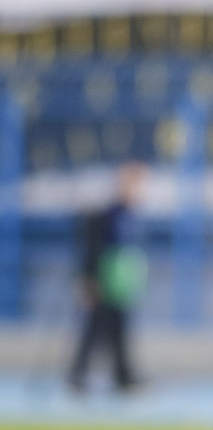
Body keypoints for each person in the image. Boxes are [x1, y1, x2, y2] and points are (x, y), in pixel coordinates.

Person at [67, 162, 148, 394]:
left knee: (117, 329)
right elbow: (93, 249)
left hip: (118, 282)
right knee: (94, 329)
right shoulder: (107, 214)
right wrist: (89, 280)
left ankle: (122, 375)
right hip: (103, 281)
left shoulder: (127, 215)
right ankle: (78, 375)